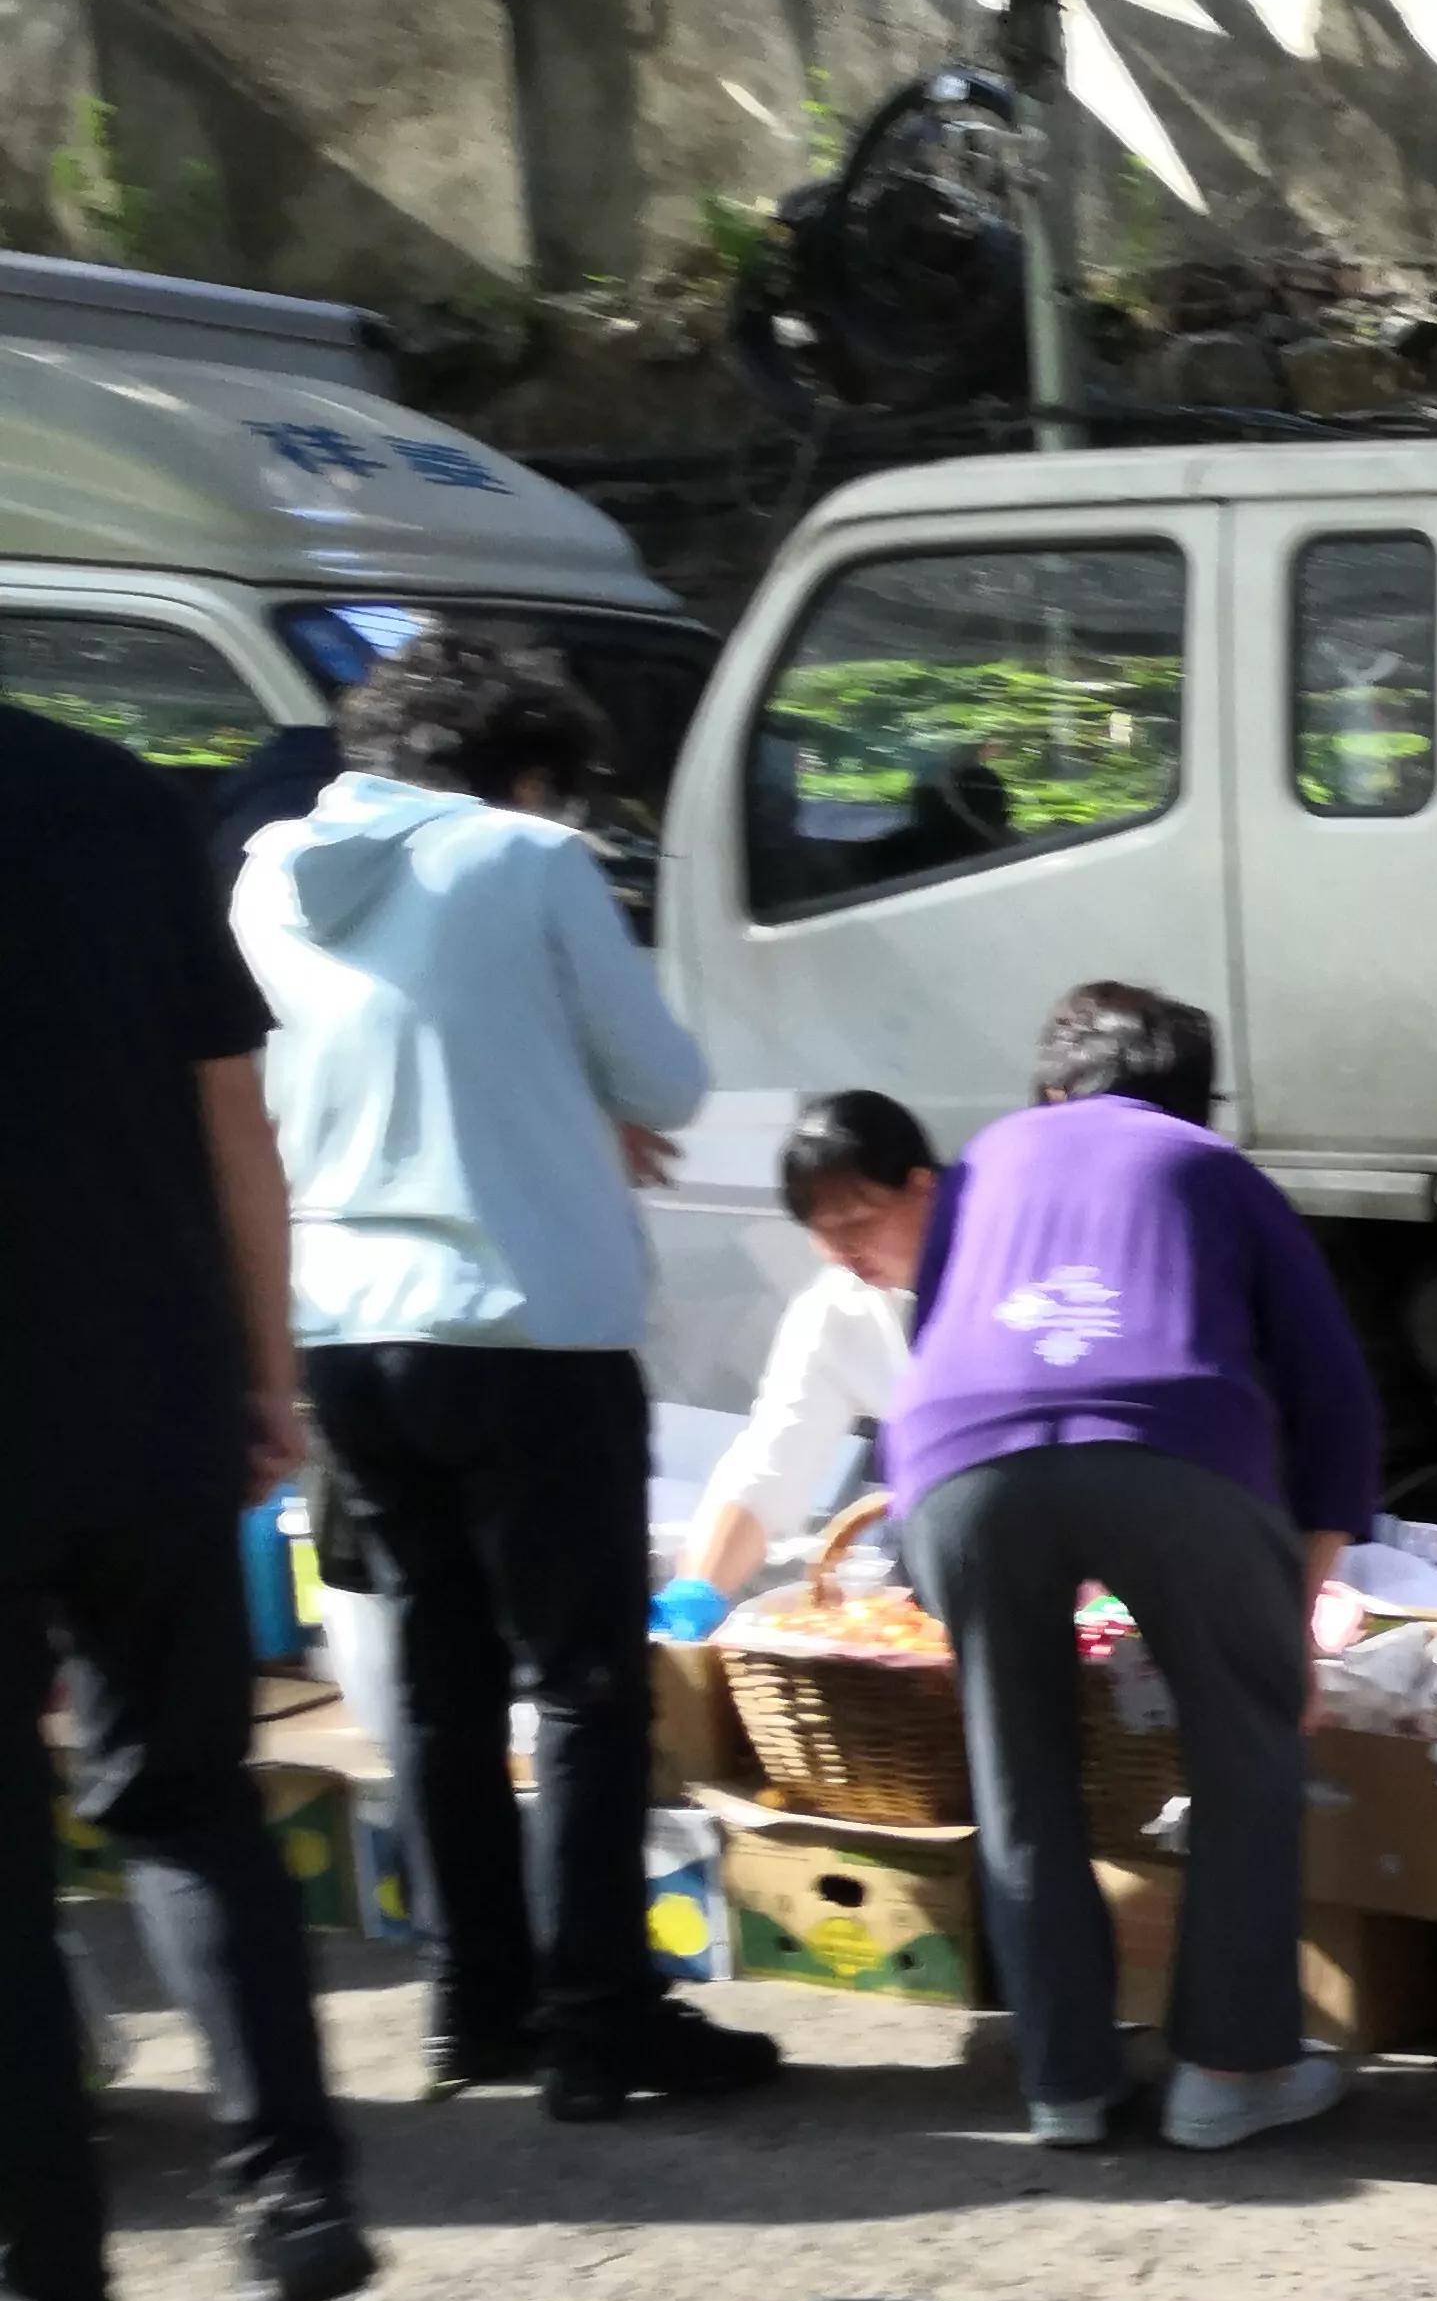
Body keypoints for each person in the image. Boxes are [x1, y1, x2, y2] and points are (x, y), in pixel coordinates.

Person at [232, 630, 782, 2128]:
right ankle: (600, 2019)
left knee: (440, 1682)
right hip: (527, 1323)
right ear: (522, 767)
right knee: (591, 1690)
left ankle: (474, 2008)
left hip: (349, 1327)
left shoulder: (270, 870)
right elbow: (664, 1079)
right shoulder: (526, 861)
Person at [0, 706, 375, 2301]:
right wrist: (265, 1372)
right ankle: (292, 2190)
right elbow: (237, 1117)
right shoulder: (114, 799)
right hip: (147, 1396)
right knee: (192, 1803)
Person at [886, 983, 1379, 2153]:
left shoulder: (984, 1158)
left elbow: (932, 1341)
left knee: (1018, 1768)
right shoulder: (1212, 1166)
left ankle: (1063, 2082)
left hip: (957, 1467)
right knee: (1246, 1755)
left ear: (1054, 1086)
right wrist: (1291, 1620)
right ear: (1196, 1099)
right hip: (1177, 1450)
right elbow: (1335, 1397)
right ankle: (1228, 2072)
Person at [678, 1094, 936, 1601]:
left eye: (858, 1223)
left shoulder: (1010, 1257)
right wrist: (694, 1596)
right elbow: (772, 1461)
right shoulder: (838, 1307)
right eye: (822, 1234)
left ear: (923, 1188)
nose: (843, 1250)